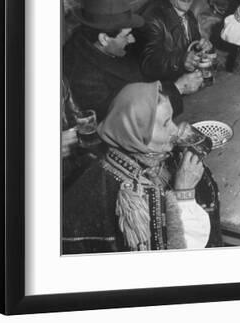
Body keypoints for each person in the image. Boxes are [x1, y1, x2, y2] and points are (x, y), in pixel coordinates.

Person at [62, 82, 222, 253]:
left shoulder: (150, 155)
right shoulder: (129, 195)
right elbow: (171, 260)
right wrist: (184, 192)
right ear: (137, 133)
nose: (175, 129)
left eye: (172, 119)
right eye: (165, 123)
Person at [63, 0, 203, 123]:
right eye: (126, 35)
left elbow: (147, 72)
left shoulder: (104, 44)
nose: (132, 39)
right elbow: (126, 121)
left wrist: (183, 61)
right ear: (104, 39)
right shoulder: (82, 74)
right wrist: (178, 88)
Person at [136, 0, 214, 82]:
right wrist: (181, 60)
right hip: (164, 90)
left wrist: (202, 47)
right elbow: (148, 63)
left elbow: (193, 49)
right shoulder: (152, 18)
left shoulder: (189, 16)